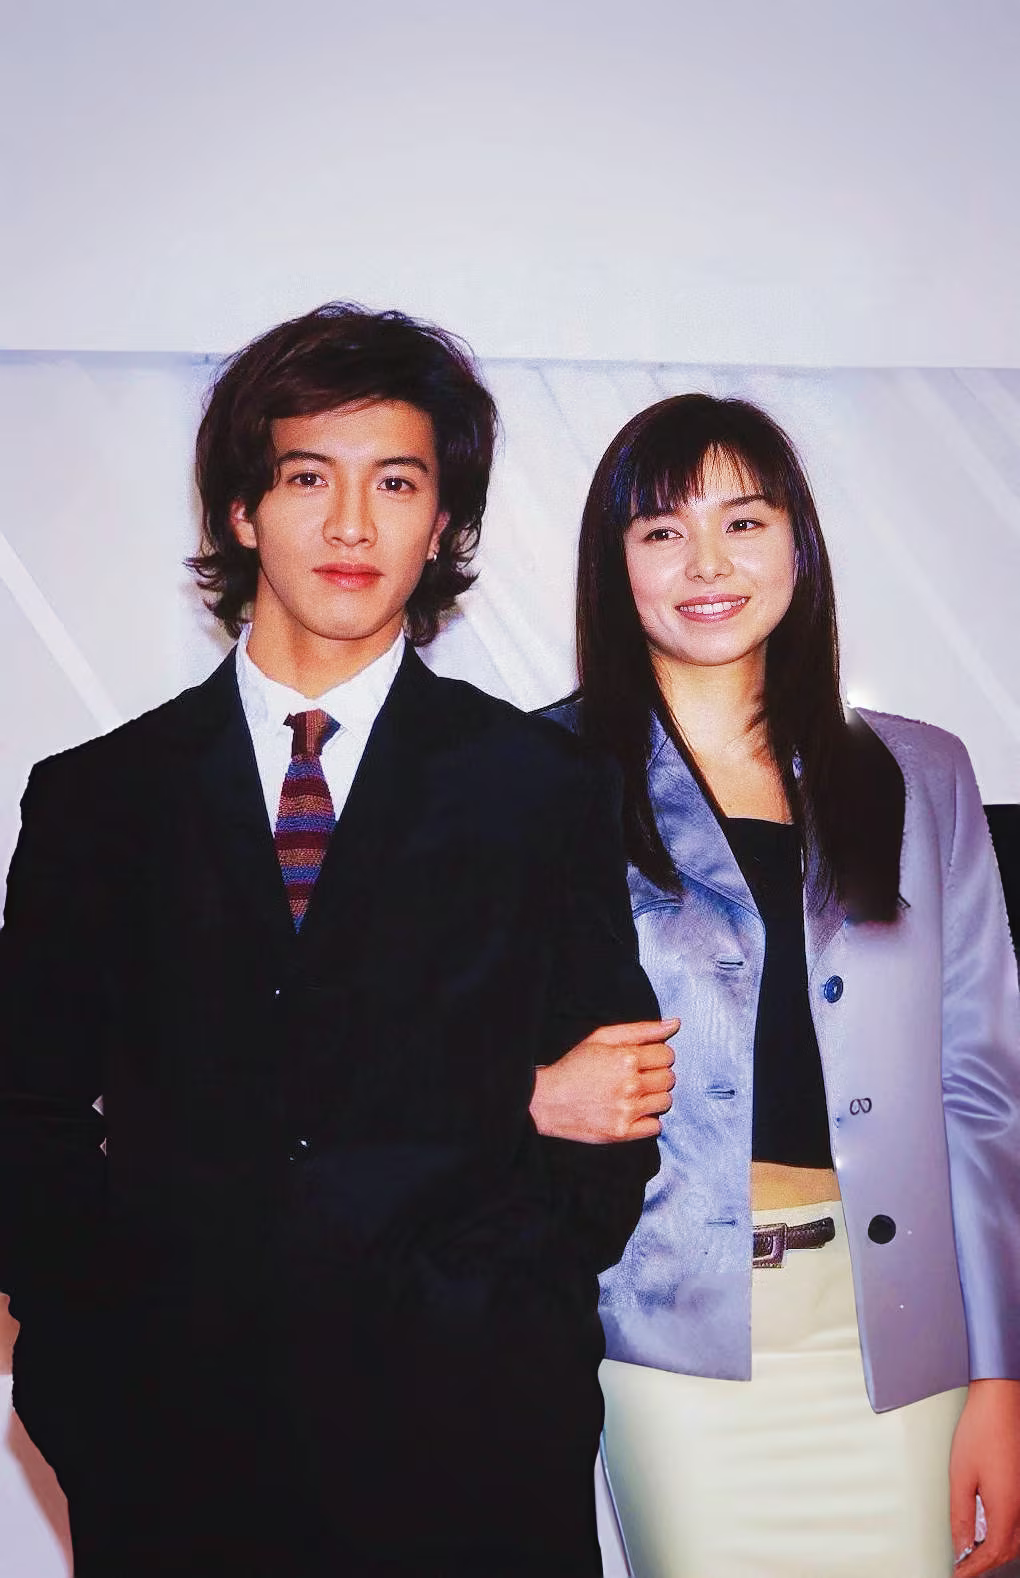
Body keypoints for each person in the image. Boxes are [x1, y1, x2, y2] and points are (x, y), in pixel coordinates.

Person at [0, 303, 669, 1578]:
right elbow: (25, 1116)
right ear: (242, 511)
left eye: (397, 483)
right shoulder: (100, 798)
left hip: (472, 1446)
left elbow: (616, 1107)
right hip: (173, 1444)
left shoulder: (540, 786)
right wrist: (87, 1363)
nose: (353, 524)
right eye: (309, 477)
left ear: (443, 522)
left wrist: (506, 1321)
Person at [532, 394, 1020, 1578]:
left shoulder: (922, 772)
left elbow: (981, 1091)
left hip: (904, 1337)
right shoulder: (536, 775)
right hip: (669, 1343)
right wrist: (529, 1090)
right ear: (616, 566)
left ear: (797, 544)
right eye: (662, 530)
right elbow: (433, 1037)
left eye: (743, 522)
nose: (708, 563)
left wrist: (1001, 1374)